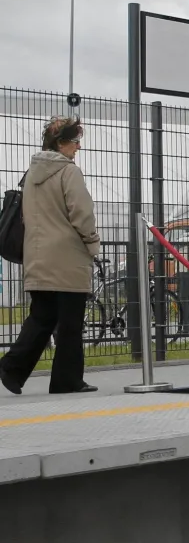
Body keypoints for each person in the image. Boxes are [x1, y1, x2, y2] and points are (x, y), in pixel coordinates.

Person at [0, 116, 101, 395]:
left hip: (38, 256)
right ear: (61, 143)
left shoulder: (31, 173)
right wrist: (93, 245)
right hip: (67, 258)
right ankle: (66, 380)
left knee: (42, 317)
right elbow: (81, 214)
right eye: (75, 141)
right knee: (70, 323)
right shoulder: (69, 172)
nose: (78, 147)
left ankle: (12, 367)